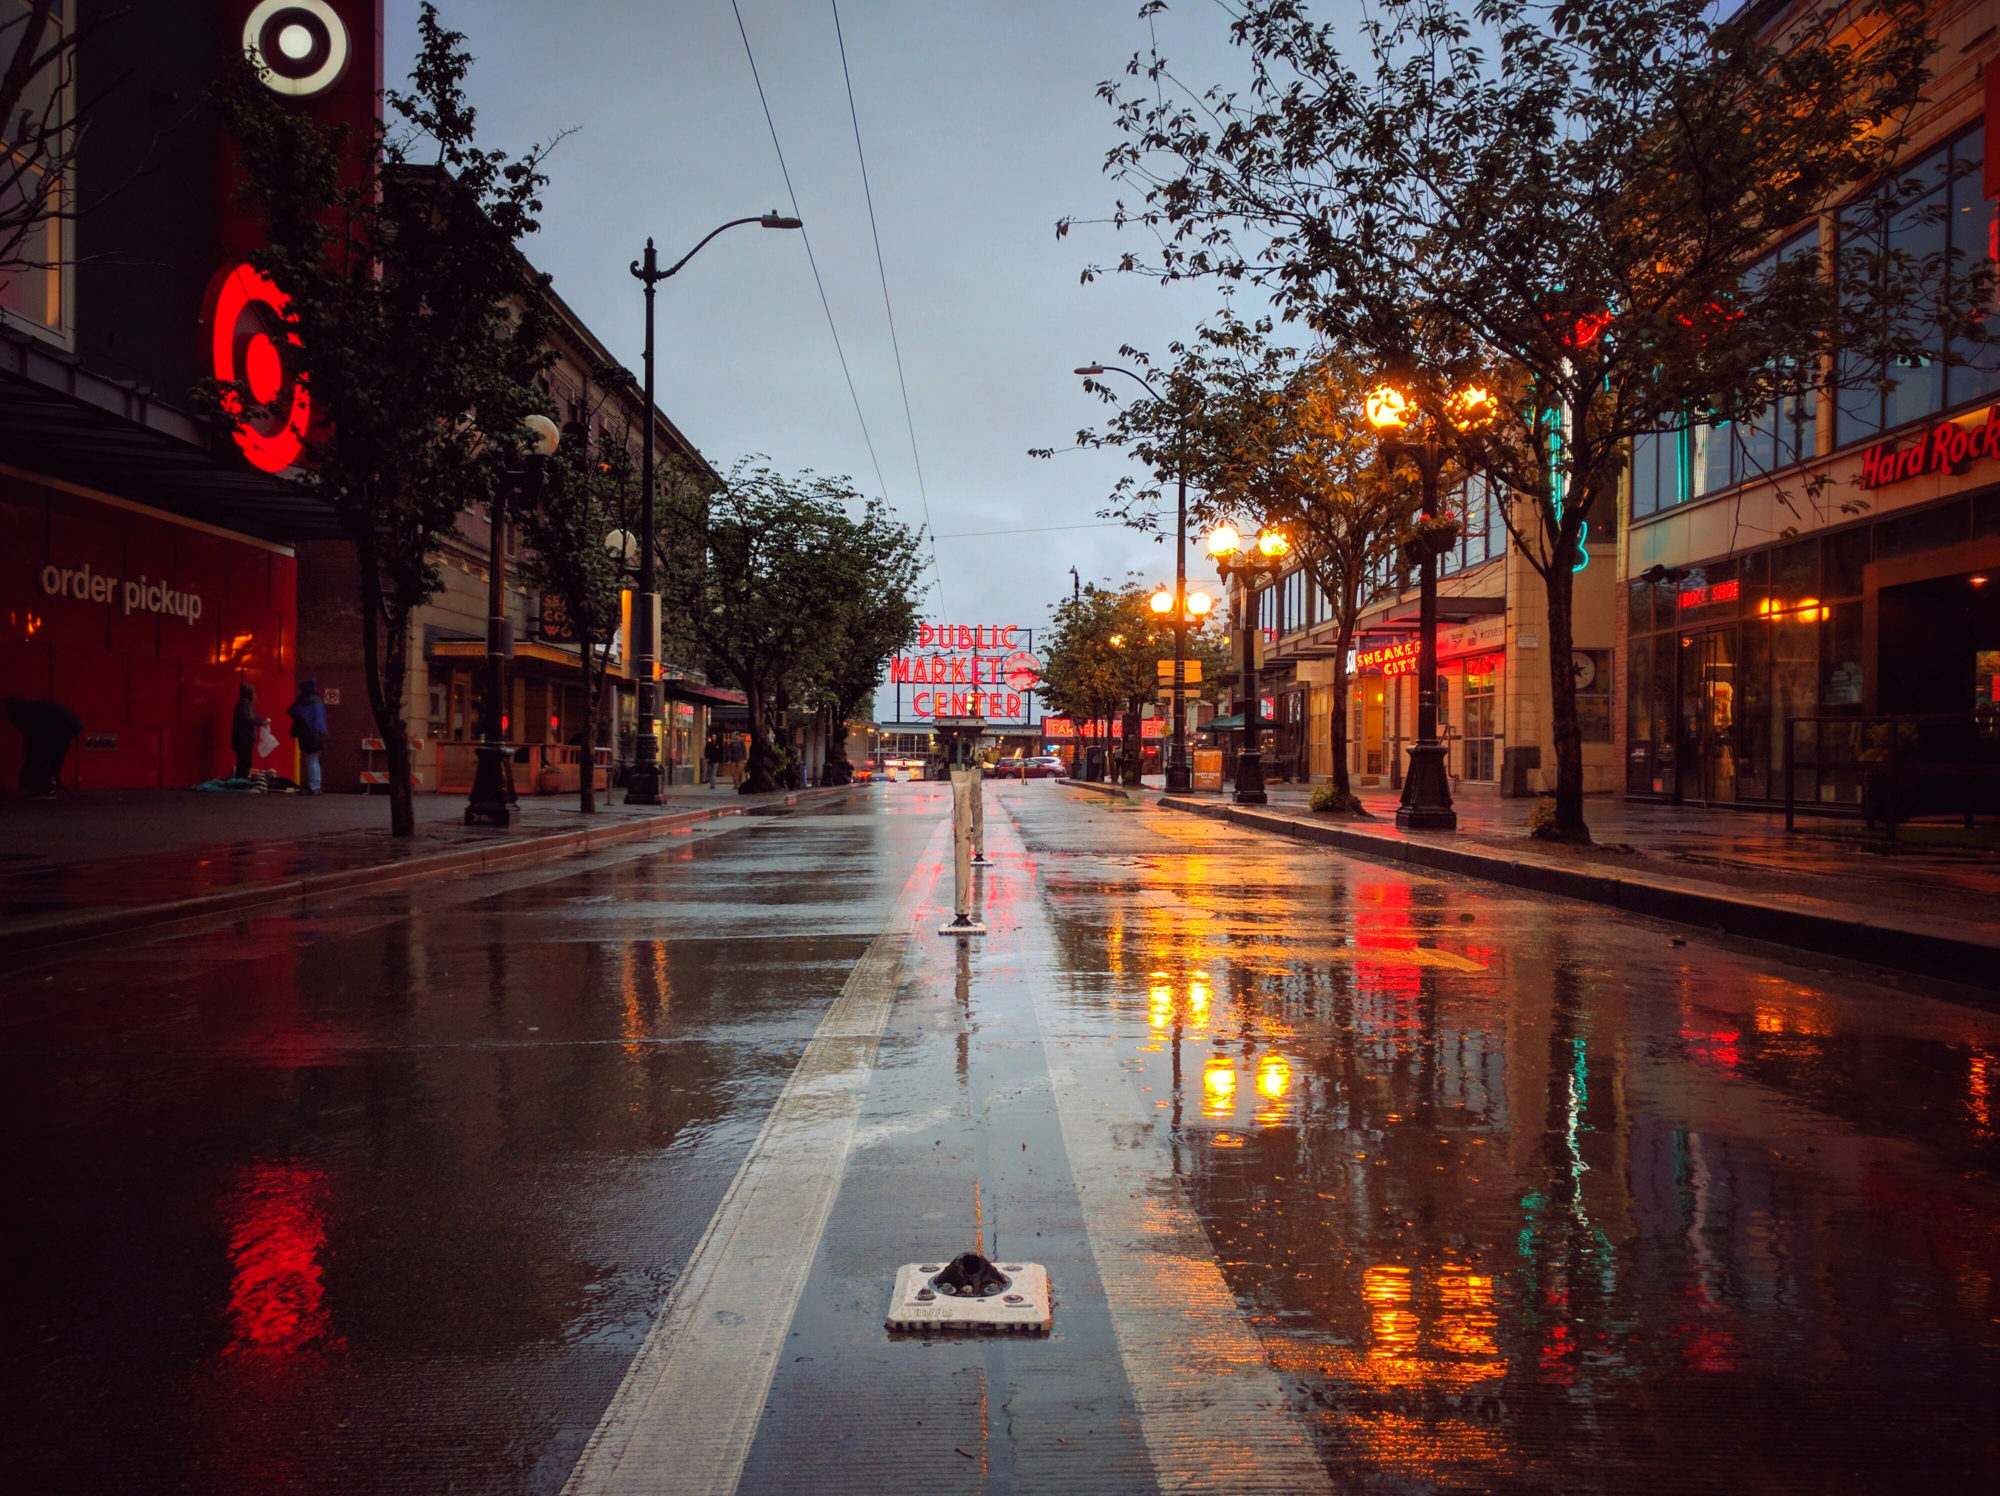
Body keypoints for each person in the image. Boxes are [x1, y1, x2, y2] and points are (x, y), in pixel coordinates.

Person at [4, 696, 83, 798]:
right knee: (55, 755)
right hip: (74, 723)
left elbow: (30, 739)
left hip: (62, 724)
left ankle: (44, 787)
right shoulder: (34, 707)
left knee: (39, 756)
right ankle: (51, 783)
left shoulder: (23, 713)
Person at [286, 678, 329, 794]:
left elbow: (292, 710)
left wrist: (298, 699)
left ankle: (312, 785)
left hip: (310, 734)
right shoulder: (318, 701)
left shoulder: (305, 701)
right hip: (321, 733)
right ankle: (317, 784)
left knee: (310, 760)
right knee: (315, 760)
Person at [231, 682, 267, 780]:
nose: (255, 695)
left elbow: (252, 717)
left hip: (244, 738)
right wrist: (262, 722)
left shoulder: (245, 703)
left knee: (244, 761)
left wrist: (262, 721)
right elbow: (248, 718)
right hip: (244, 738)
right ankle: (241, 780)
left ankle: (241, 780)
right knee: (245, 761)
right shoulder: (245, 703)